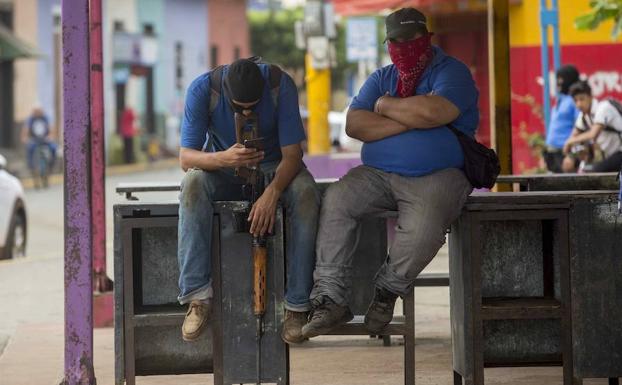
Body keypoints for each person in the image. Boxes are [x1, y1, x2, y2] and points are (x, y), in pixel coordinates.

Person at [302, 7, 477, 338]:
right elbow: (354, 124)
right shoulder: (381, 77)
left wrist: (383, 107)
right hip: (379, 174)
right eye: (395, 40)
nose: (403, 46)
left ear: (426, 38)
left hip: (439, 174)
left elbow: (436, 111)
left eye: (410, 38)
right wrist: (414, 118)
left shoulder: (451, 72)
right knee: (338, 199)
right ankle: (331, 297)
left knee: (426, 225)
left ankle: (386, 292)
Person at [177, 58, 320, 344]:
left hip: (274, 170)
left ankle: (297, 307)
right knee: (192, 183)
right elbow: (186, 157)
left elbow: (293, 154)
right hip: (224, 169)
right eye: (239, 107)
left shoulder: (281, 85)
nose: (247, 112)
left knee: (306, 193)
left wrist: (273, 193)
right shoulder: (203, 90)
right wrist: (223, 158)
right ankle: (197, 297)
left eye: (253, 105)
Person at [563, 81, 622, 173]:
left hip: (620, 152)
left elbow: (593, 134)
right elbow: (574, 136)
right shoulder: (584, 116)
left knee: (596, 171)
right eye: (575, 101)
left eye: (582, 99)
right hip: (612, 155)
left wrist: (569, 142)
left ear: (590, 97)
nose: (579, 104)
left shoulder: (603, 108)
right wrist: (569, 156)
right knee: (586, 170)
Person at [542, 65, 581, 173]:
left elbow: (580, 127)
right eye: (557, 79)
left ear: (570, 79)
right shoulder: (561, 100)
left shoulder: (576, 101)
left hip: (565, 154)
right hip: (551, 153)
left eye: (561, 79)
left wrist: (572, 155)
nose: (558, 83)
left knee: (566, 187)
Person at [21, 106, 57, 174]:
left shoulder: (46, 118)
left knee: (53, 148)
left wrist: (51, 136)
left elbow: (51, 129)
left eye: (39, 111)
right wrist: (24, 138)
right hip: (34, 140)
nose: (37, 113)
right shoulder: (30, 119)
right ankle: (31, 167)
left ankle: (51, 166)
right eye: (36, 111)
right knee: (30, 148)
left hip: (45, 139)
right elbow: (26, 129)